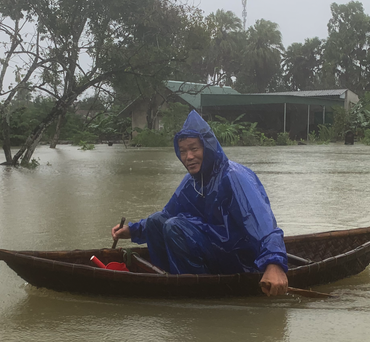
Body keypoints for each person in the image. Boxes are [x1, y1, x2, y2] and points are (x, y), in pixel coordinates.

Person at [112, 110, 289, 296]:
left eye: (194, 149)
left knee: (175, 227)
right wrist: (132, 231)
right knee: (158, 221)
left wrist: (274, 263)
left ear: (208, 147)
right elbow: (167, 214)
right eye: (183, 151)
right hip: (215, 248)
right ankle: (168, 280)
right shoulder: (192, 182)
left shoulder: (234, 177)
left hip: (243, 259)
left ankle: (197, 292)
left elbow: (264, 224)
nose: (188, 156)